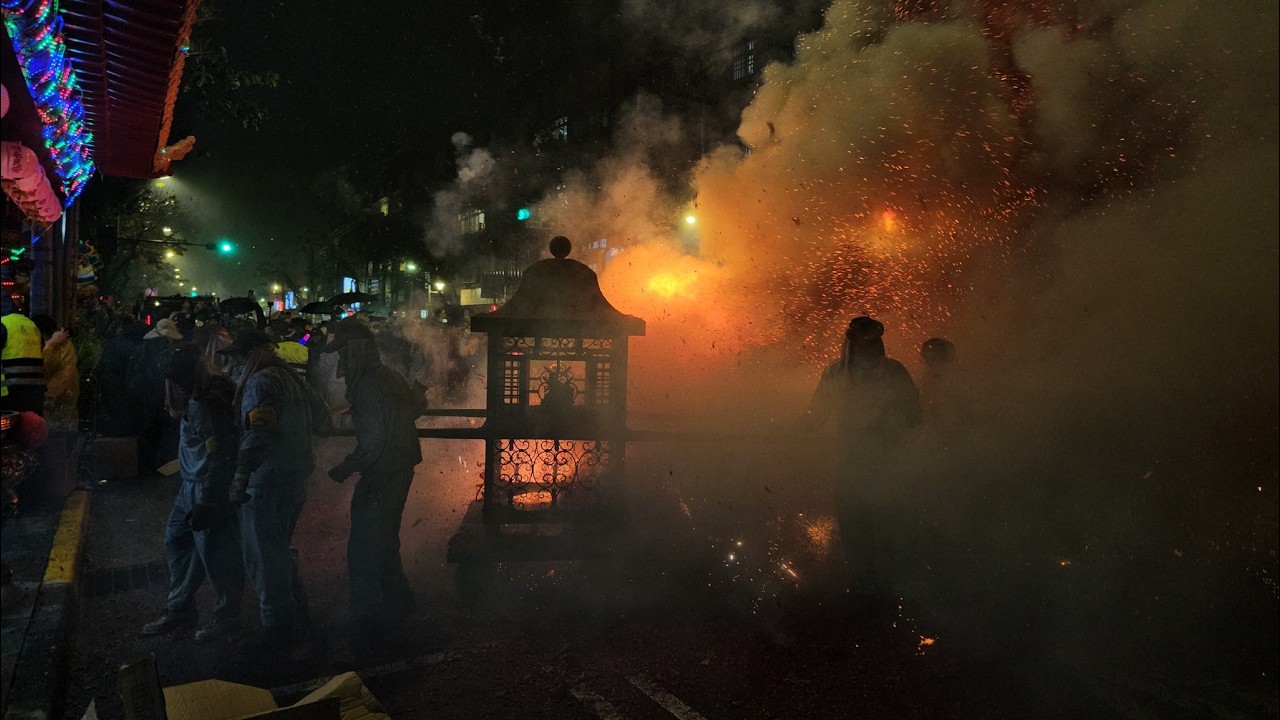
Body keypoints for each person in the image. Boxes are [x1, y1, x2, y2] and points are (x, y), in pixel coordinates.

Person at [223, 329, 328, 649]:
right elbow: (324, 418)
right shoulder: (291, 378)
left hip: (266, 479)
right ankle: (297, 607)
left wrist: (241, 473)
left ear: (252, 353)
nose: (234, 366)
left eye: (238, 358)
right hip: (294, 477)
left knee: (264, 554)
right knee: (278, 548)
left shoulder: (260, 383)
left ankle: (277, 627)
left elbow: (259, 431)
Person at [806, 316, 920, 610]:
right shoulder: (836, 374)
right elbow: (816, 418)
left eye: (875, 340)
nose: (872, 346)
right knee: (856, 534)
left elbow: (914, 416)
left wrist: (889, 421)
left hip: (889, 467)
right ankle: (866, 596)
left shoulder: (894, 372)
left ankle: (903, 593)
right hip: (852, 467)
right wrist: (787, 432)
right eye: (866, 341)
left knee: (894, 532)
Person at [322, 319, 422, 641]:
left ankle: (366, 615)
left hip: (382, 471)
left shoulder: (366, 385)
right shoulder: (389, 376)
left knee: (365, 543)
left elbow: (374, 442)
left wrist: (347, 466)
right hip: (402, 467)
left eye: (343, 354)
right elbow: (413, 410)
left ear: (356, 351)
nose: (340, 362)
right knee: (386, 537)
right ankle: (399, 598)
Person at [141, 345, 245, 642]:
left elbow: (220, 454)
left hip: (204, 487)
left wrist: (208, 501)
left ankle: (226, 618)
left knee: (217, 556)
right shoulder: (200, 395)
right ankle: (180, 609)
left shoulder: (204, 403)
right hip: (191, 485)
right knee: (180, 543)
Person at [31, 315, 78, 430]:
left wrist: (49, 345)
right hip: (61, 397)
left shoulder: (59, 346)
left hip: (56, 399)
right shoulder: (63, 345)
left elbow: (44, 365)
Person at [1, 311, 46, 415]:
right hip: (35, 391)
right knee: (31, 427)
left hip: (9, 391)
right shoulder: (31, 325)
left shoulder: (3, 324)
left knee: (12, 427)